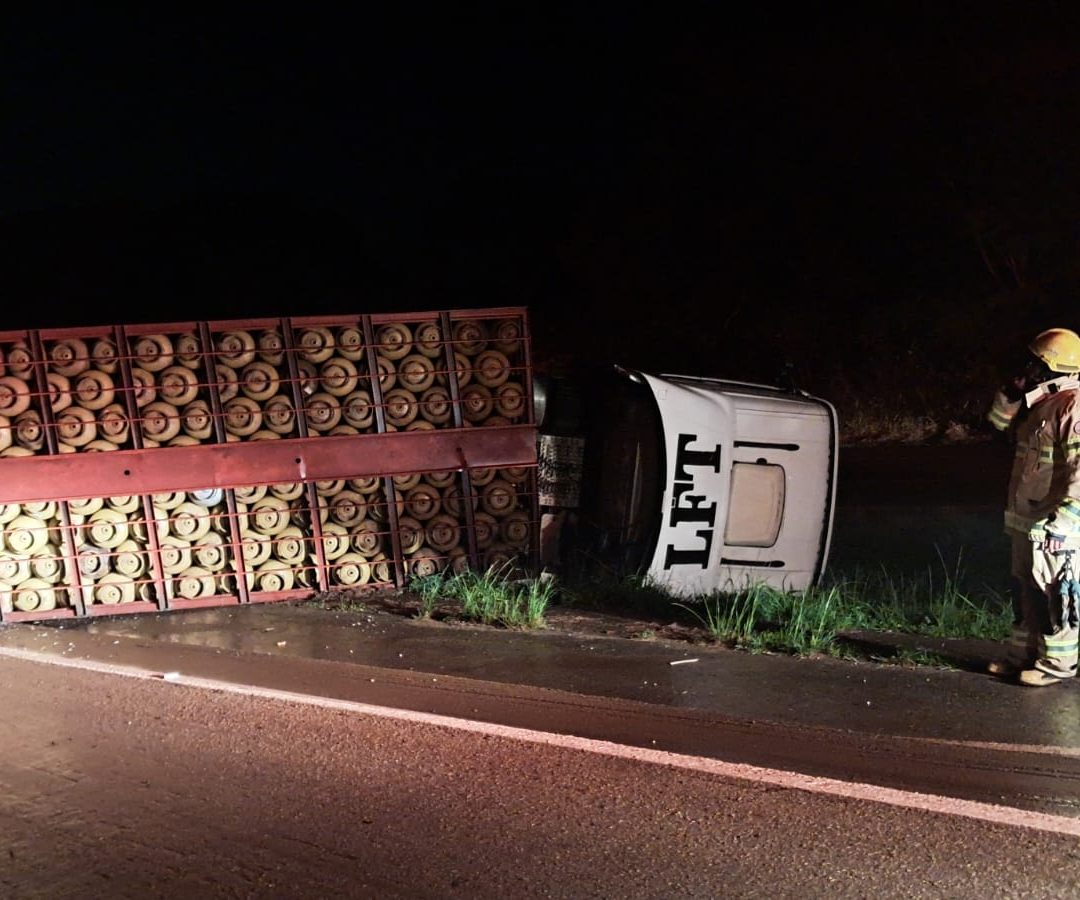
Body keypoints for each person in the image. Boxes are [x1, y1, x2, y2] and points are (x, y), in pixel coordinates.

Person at [987, 328, 1080, 686]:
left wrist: (1066, 520)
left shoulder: (1072, 406)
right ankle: (1022, 656)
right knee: (1025, 590)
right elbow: (997, 428)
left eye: (1036, 363)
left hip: (1053, 523)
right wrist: (1009, 396)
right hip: (1027, 519)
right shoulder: (1040, 403)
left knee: (1055, 594)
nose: (1029, 369)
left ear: (1055, 367)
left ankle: (1057, 664)